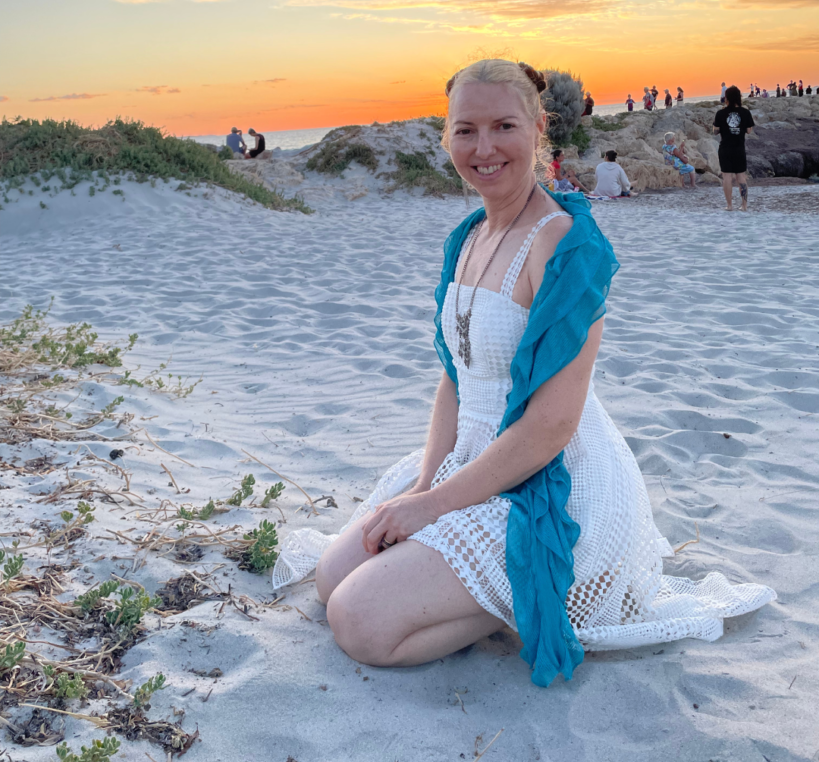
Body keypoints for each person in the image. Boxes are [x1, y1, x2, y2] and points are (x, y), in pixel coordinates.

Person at [271, 58, 774, 683]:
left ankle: (531, 602)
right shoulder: (468, 237)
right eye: (465, 130)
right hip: (464, 459)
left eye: (504, 126)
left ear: (540, 128)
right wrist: (424, 486)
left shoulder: (565, 244)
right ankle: (480, 586)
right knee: (329, 579)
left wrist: (433, 510)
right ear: (446, 136)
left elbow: (552, 427)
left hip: (545, 475)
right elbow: (457, 377)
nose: (484, 149)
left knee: (360, 622)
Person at [713, 85, 754, 212]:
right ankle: (744, 205)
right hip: (739, 148)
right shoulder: (745, 112)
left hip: (725, 148)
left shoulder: (721, 113)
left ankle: (729, 205)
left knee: (727, 177)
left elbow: (715, 131)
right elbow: (748, 131)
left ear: (727, 98)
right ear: (739, 97)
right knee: (741, 177)